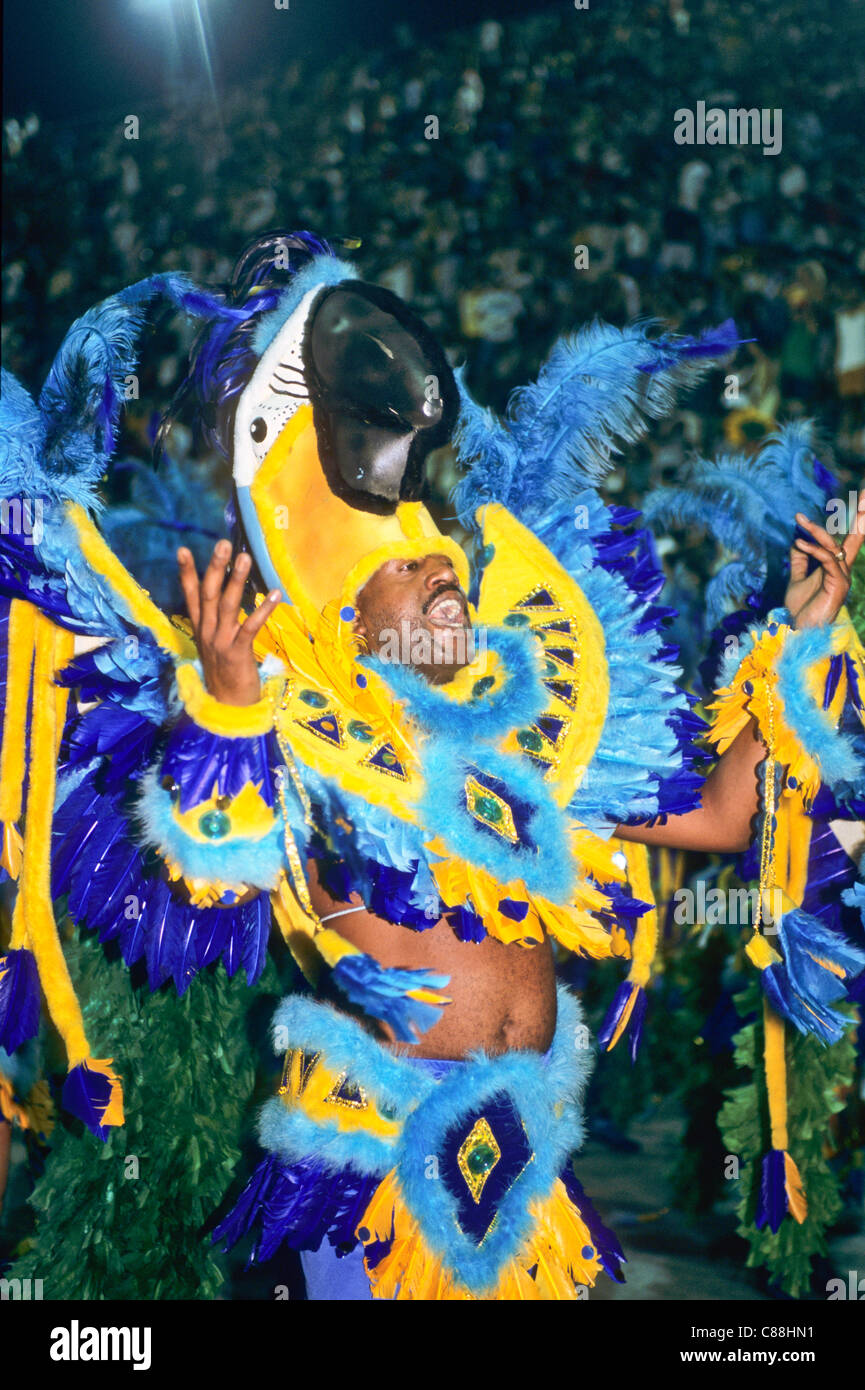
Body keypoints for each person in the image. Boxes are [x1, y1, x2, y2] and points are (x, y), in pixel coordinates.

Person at [2, 230, 863, 1300]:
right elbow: (212, 881)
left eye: (441, 558)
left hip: (528, 1154)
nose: (441, 572)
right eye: (409, 570)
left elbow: (729, 817)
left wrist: (804, 633)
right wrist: (226, 709)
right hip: (369, 1161)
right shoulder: (303, 739)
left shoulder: (531, 738)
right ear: (347, 616)